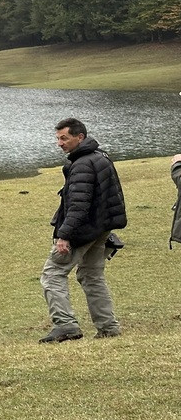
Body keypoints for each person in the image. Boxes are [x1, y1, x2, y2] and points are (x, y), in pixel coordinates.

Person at [40, 117, 127, 342]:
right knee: (91, 275)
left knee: (53, 273)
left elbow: (79, 205)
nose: (60, 143)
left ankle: (66, 325)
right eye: (58, 138)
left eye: (64, 138)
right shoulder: (100, 157)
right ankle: (108, 327)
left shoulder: (81, 165)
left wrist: (64, 235)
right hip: (101, 229)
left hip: (85, 230)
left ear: (80, 137)